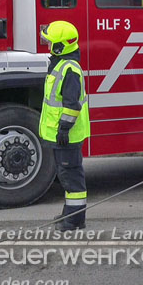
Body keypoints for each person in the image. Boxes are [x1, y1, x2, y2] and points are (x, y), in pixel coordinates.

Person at [39, 20, 90, 231]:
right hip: (63, 135)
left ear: (60, 47)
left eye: (50, 43)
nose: (47, 46)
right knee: (67, 177)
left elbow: (72, 105)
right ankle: (69, 214)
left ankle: (75, 221)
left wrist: (64, 129)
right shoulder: (61, 65)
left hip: (67, 136)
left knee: (72, 178)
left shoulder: (69, 70)